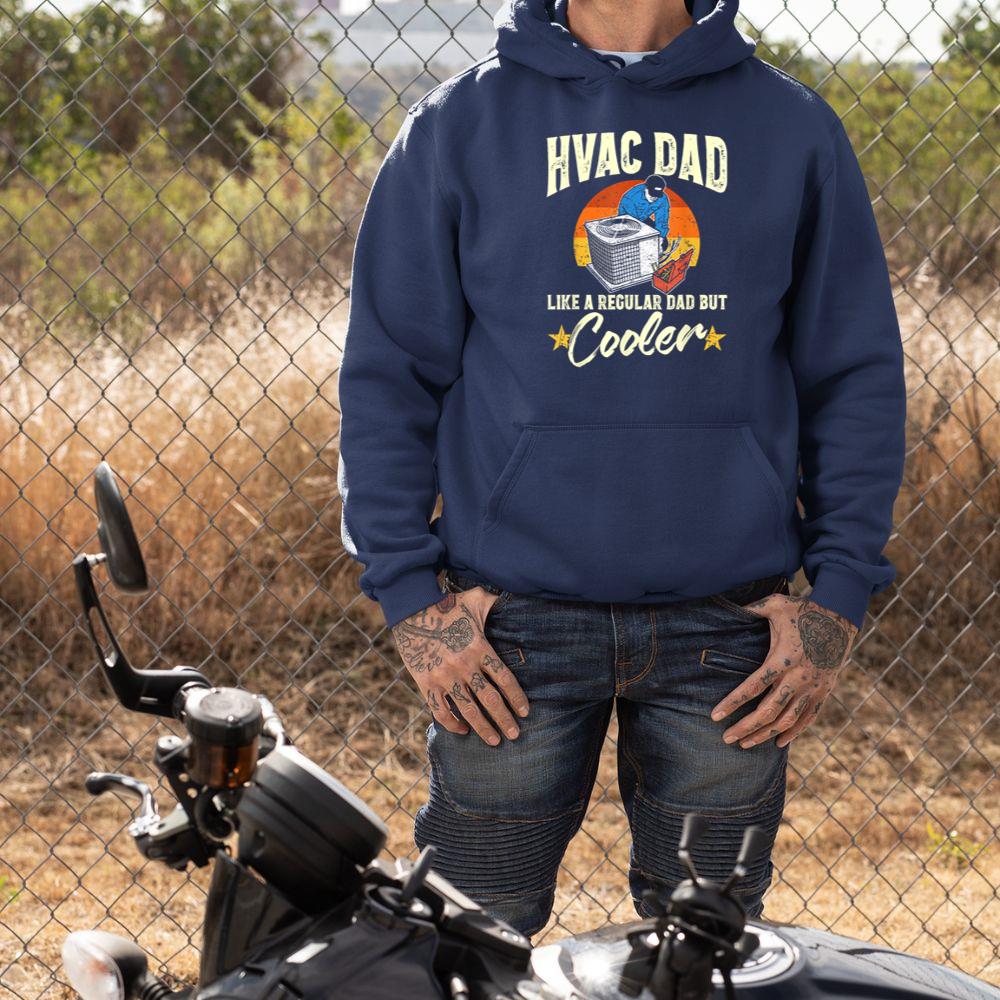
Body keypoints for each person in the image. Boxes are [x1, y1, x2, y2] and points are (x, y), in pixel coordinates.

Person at [337, 0, 905, 936]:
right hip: (511, 628)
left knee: (702, 955)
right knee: (469, 944)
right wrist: (409, 598)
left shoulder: (791, 128)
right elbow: (387, 376)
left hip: (728, 631)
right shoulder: (457, 126)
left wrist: (838, 599)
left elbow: (854, 377)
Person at [618, 173, 671, 246]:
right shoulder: (630, 198)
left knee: (664, 245)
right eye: (652, 194)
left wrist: (661, 238)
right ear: (645, 189)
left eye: (657, 195)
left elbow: (662, 220)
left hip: (643, 218)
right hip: (627, 221)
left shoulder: (662, 199)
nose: (654, 198)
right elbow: (634, 224)